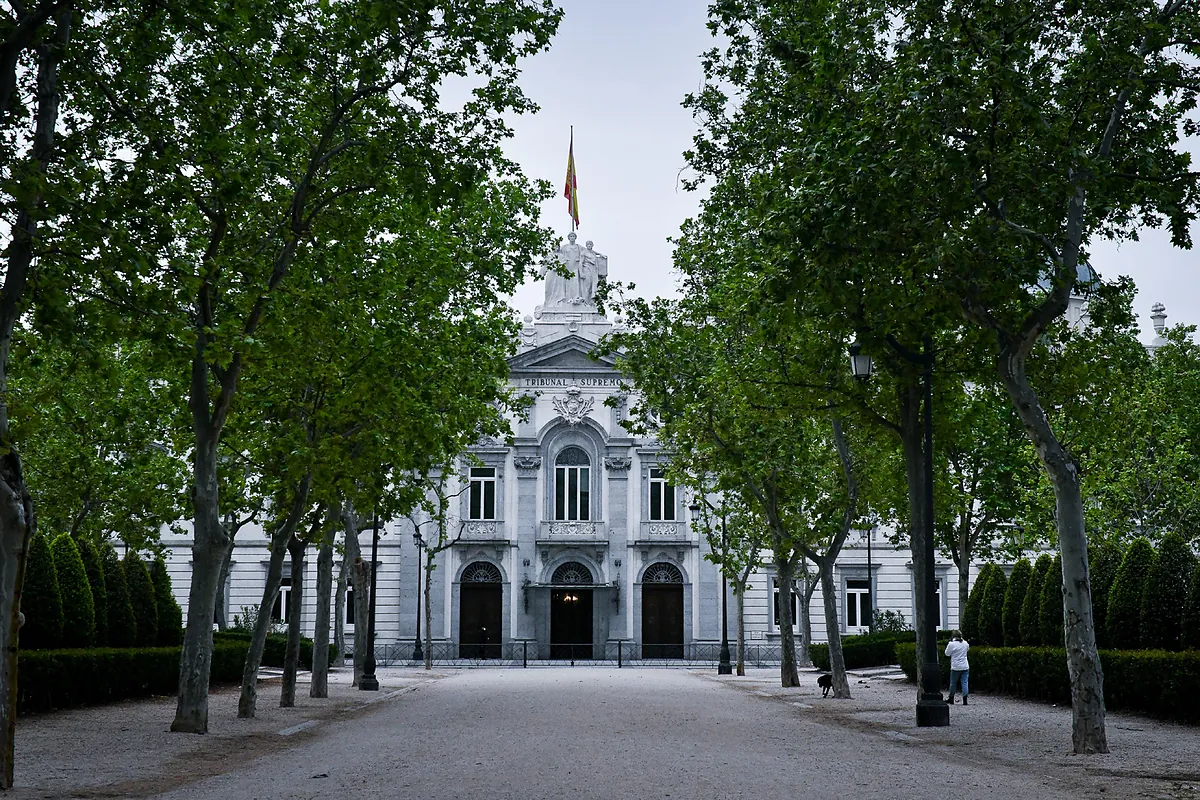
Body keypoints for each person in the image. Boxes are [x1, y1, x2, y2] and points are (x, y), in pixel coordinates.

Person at [945, 630, 970, 705]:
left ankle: (951, 698)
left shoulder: (951, 644)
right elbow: (967, 649)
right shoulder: (965, 643)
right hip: (965, 665)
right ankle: (965, 699)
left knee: (953, 683)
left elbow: (947, 654)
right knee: (965, 682)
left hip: (955, 666)